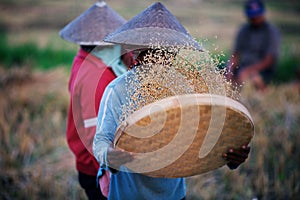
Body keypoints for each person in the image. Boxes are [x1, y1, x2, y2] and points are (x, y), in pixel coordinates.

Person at [93, 2, 250, 199]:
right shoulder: (117, 90)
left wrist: (230, 155)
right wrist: (111, 155)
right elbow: (100, 142)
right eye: (151, 57)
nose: (159, 65)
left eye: (166, 57)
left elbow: (200, 141)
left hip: (173, 194)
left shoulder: (184, 90)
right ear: (135, 57)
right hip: (129, 194)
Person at [59, 1, 133, 199]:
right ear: (106, 46)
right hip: (96, 169)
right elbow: (94, 133)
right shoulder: (95, 76)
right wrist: (108, 169)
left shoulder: (84, 60)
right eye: (118, 44)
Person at [226, 0, 280, 91]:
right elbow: (235, 54)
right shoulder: (244, 30)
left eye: (257, 15)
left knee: (253, 79)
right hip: (243, 67)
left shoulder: (271, 32)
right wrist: (229, 70)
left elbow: (269, 60)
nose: (255, 18)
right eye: (252, 16)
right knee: (221, 72)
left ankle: (261, 93)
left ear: (262, 14)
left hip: (262, 70)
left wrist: (248, 71)